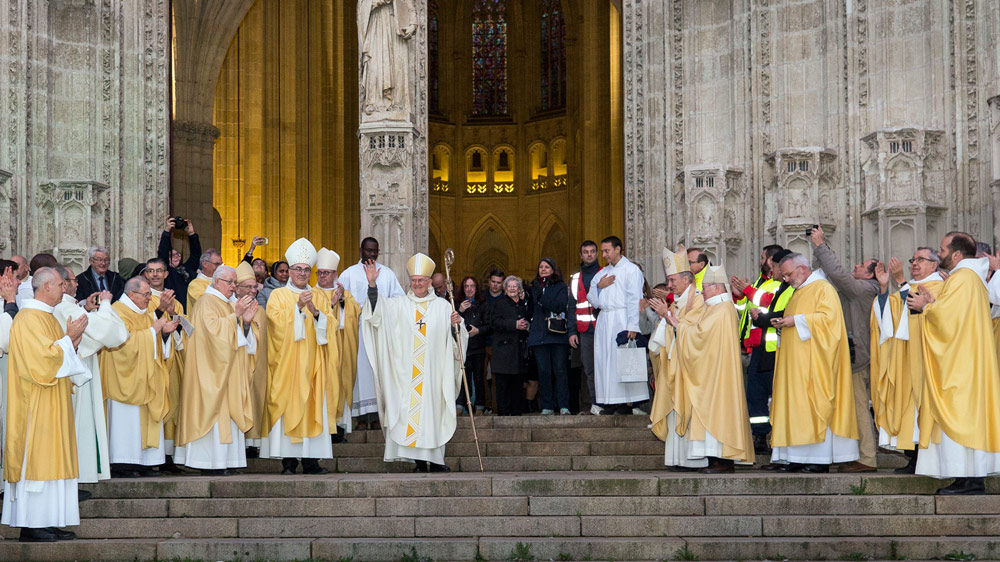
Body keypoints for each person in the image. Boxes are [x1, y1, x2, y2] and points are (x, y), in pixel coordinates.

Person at [2, 267, 90, 542]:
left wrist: (71, 341)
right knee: (38, 460)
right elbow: (40, 362)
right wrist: (68, 340)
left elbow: (58, 355)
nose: (65, 289)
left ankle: (49, 520)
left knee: (53, 459)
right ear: (46, 287)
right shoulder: (28, 319)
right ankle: (32, 524)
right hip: (35, 406)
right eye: (60, 285)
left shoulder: (48, 318)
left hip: (53, 402)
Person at [908, 232, 1000, 495]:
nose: (940, 254)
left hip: (962, 365)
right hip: (966, 361)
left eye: (943, 249)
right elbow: (955, 316)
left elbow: (947, 319)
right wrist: (932, 304)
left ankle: (970, 480)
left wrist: (926, 307)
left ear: (957, 254)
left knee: (961, 415)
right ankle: (966, 477)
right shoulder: (969, 278)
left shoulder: (963, 279)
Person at [361, 253, 467, 472]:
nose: (417, 284)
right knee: (411, 414)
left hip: (434, 374)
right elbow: (377, 314)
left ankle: (436, 461)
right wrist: (372, 285)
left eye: (421, 280)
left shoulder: (443, 306)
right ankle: (418, 462)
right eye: (414, 280)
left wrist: (455, 325)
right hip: (406, 375)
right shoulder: (399, 305)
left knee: (433, 415)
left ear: (430, 282)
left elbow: (457, 338)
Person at [768, 253, 860, 473]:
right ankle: (795, 457)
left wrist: (795, 320)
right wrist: (784, 323)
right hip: (795, 366)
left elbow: (830, 321)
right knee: (796, 409)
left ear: (802, 269)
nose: (786, 279)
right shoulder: (799, 291)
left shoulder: (823, 288)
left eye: (788, 274)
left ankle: (818, 460)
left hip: (815, 365)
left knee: (813, 407)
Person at [663, 265, 754, 473]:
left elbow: (699, 336)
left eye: (705, 287)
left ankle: (723, 460)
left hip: (718, 376)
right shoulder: (714, 308)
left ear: (716, 288)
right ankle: (714, 459)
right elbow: (699, 334)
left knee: (719, 414)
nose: (701, 291)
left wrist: (678, 325)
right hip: (711, 372)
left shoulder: (722, 309)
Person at [262, 238, 335, 475]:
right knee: (289, 405)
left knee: (313, 406)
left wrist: (314, 311)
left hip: (314, 364)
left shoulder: (320, 296)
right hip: (289, 365)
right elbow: (273, 324)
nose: (302, 273)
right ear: (289, 271)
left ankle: (312, 461)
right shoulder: (278, 295)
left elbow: (331, 326)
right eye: (298, 269)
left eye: (306, 270)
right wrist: (296, 308)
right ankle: (289, 463)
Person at [174, 266, 257, 475]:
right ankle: (209, 463)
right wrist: (235, 316)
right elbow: (211, 334)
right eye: (229, 282)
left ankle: (228, 461)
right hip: (210, 372)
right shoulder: (206, 302)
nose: (233, 287)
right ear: (216, 281)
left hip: (228, 371)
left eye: (234, 283)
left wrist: (245, 322)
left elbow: (237, 338)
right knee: (213, 414)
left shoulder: (228, 303)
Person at [809, 226, 879, 472]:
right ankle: (854, 453)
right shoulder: (858, 290)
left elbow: (838, 275)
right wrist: (821, 249)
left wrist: (821, 246)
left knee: (860, 406)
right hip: (851, 353)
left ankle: (867, 458)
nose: (856, 267)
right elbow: (832, 275)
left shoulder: (865, 289)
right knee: (852, 406)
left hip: (858, 357)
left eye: (861, 265)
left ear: (872, 274)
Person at [870, 249, 944, 474]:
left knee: (922, 408)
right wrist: (884, 288)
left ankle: (926, 458)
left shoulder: (941, 287)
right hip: (905, 358)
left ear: (934, 265)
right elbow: (888, 316)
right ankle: (912, 457)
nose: (915, 263)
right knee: (906, 409)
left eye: (921, 260)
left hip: (927, 359)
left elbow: (918, 308)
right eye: (913, 260)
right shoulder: (910, 286)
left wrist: (900, 280)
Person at [52, 267, 127, 485]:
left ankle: (78, 477)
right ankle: (78, 478)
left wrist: (88, 309)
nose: (78, 284)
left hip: (76, 369)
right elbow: (112, 333)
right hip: (77, 375)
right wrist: (105, 304)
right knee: (80, 425)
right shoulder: (66, 308)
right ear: (64, 284)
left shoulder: (68, 307)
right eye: (74, 281)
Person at [100, 277, 176, 478]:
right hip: (125, 378)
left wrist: (163, 334)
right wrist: (153, 330)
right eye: (146, 295)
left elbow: (152, 340)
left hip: (147, 377)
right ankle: (124, 464)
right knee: (128, 423)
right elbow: (125, 344)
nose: (150, 299)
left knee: (145, 418)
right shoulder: (118, 311)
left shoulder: (145, 313)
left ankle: (147, 462)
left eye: (150, 294)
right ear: (131, 294)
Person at [337, 237, 404, 428]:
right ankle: (359, 417)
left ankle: (376, 416)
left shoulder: (387, 274)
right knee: (358, 373)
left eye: (375, 251)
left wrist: (383, 308)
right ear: (361, 250)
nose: (372, 254)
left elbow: (398, 300)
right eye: (368, 250)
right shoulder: (349, 274)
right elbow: (338, 302)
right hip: (356, 332)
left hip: (379, 332)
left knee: (378, 371)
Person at [733, 247, 793, 453]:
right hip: (757, 345)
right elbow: (744, 308)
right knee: (755, 394)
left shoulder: (784, 284)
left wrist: (748, 290)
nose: (761, 260)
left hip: (774, 347)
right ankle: (759, 435)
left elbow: (769, 302)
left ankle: (776, 436)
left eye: (762, 256)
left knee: (774, 393)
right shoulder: (760, 281)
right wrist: (739, 295)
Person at [648, 246, 703, 468]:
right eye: (668, 281)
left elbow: (693, 332)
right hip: (674, 364)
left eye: (672, 280)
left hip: (690, 368)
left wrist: (666, 315)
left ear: (686, 278)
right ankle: (676, 459)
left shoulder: (698, 300)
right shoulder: (678, 301)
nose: (668, 286)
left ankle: (691, 460)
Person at [588, 236, 649, 413]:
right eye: (603, 251)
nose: (604, 254)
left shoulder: (631, 270)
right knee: (605, 360)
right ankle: (608, 400)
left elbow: (633, 298)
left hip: (622, 319)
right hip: (605, 319)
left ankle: (628, 403)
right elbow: (592, 298)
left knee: (621, 360)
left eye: (607, 250)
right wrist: (599, 286)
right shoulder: (601, 273)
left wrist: (632, 325)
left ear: (617, 249)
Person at [143, 258, 188, 473]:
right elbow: (144, 329)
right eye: (150, 271)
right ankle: (153, 454)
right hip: (153, 362)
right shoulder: (143, 299)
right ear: (145, 274)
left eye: (159, 271)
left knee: (173, 403)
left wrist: (175, 317)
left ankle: (168, 455)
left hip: (172, 362)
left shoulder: (175, 300)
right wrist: (161, 311)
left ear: (166, 274)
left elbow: (183, 333)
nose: (155, 275)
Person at [313, 248, 349, 437]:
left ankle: (338, 426)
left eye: (326, 273)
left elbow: (353, 315)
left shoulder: (344, 293)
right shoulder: (311, 294)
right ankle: (327, 426)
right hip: (321, 351)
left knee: (340, 383)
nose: (322, 276)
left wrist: (342, 302)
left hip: (341, 348)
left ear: (335, 274)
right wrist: (332, 305)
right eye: (319, 273)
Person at [234, 262, 269, 458]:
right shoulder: (231, 307)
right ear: (237, 288)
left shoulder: (261, 311)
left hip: (256, 365)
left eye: (255, 287)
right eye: (248, 287)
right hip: (237, 364)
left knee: (255, 399)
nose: (253, 291)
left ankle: (252, 443)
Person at [528, 258, 571, 415]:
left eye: (547, 267)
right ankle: (547, 406)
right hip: (539, 336)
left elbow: (559, 306)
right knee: (544, 371)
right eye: (541, 267)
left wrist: (541, 296)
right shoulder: (533, 287)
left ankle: (563, 405)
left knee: (560, 370)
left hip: (557, 336)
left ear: (553, 270)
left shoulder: (560, 286)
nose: (543, 269)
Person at [567, 241, 602, 414]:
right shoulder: (575, 279)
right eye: (585, 252)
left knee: (605, 366)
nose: (589, 255)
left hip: (604, 328)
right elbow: (571, 307)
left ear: (597, 254)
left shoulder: (605, 274)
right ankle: (595, 403)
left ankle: (609, 403)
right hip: (584, 331)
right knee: (589, 368)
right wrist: (572, 331)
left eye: (592, 252)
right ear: (580, 255)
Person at [490, 276, 531, 415]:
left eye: (515, 286)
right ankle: (503, 417)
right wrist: (514, 324)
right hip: (504, 354)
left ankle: (517, 415)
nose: (512, 288)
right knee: (503, 387)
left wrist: (527, 326)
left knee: (518, 387)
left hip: (519, 354)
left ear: (519, 289)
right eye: (509, 286)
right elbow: (494, 322)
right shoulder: (499, 303)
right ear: (505, 289)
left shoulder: (523, 304)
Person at [457, 276, 489, 414]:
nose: (469, 289)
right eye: (466, 286)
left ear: (476, 288)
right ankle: (461, 404)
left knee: (479, 377)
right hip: (463, 347)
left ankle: (480, 406)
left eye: (472, 286)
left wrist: (478, 331)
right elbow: (450, 324)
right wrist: (460, 311)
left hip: (478, 347)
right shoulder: (457, 303)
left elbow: (490, 325)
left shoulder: (483, 304)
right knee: (463, 377)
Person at [157, 217, 203, 310]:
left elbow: (196, 255)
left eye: (178, 254)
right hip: (173, 311)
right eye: (173, 255)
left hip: (190, 311)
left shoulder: (187, 269)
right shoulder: (167, 273)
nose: (177, 256)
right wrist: (167, 232)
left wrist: (191, 234)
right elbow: (163, 253)